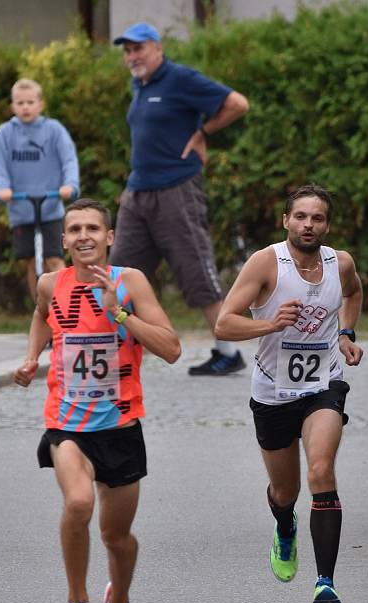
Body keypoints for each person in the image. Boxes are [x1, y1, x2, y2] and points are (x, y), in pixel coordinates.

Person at [13, 198, 181, 603]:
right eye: (74, 229)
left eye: (92, 228)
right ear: (64, 240)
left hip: (121, 428)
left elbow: (172, 348)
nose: (83, 235)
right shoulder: (51, 283)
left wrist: (119, 314)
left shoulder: (130, 283)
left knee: (116, 539)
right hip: (66, 424)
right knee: (79, 502)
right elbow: (40, 317)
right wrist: (32, 358)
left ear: (109, 238)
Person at [214, 184, 364, 603]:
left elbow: (353, 294)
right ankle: (284, 526)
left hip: (323, 385)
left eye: (317, 218)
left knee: (322, 469)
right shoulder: (266, 263)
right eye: (300, 216)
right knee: (285, 491)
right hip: (273, 392)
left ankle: (325, 583)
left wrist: (347, 333)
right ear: (286, 221)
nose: (308, 225)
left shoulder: (341, 264)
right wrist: (269, 325)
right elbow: (224, 324)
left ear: (327, 225)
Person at [111, 22, 250, 376]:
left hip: (177, 189)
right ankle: (108, 347)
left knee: (195, 271)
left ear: (157, 48)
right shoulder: (139, 84)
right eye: (127, 51)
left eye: (138, 48)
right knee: (119, 271)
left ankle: (228, 352)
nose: (132, 56)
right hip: (137, 191)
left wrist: (203, 132)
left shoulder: (180, 78)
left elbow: (237, 104)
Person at [0, 78, 80, 300]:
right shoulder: (5, 133)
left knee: (54, 258)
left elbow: (68, 159)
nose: (25, 107)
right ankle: (41, 311)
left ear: (40, 104)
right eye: (20, 103)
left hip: (50, 207)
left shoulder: (53, 130)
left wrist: (70, 185)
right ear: (13, 106)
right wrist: (2, 189)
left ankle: (66, 306)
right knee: (31, 261)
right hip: (22, 209)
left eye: (30, 102)